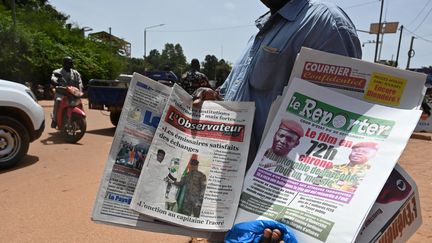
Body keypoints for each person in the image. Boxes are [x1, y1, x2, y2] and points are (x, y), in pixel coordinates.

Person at [192, 0, 362, 170]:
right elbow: (235, 95)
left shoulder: (324, 22)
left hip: (272, 179)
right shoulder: (258, 37)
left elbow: (338, 117)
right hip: (231, 173)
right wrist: (213, 97)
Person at [51, 56, 83, 128]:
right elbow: (53, 78)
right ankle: (54, 120)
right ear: (64, 63)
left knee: (80, 102)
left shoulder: (76, 73)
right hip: (61, 93)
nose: (70, 64)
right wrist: (56, 82)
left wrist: (80, 91)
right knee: (58, 101)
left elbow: (80, 82)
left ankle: (81, 120)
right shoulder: (57, 71)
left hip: (73, 94)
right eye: (68, 63)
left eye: (71, 63)